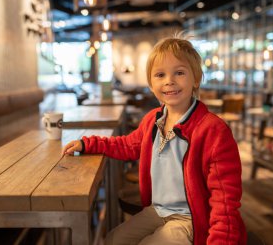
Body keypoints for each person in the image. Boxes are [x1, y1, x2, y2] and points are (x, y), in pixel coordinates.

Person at [62, 33, 247, 245]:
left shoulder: (214, 130)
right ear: (151, 84)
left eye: (179, 72)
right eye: (160, 75)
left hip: (191, 219)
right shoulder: (153, 119)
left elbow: (225, 201)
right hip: (158, 210)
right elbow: (128, 145)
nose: (169, 81)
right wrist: (89, 144)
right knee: (113, 239)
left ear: (196, 79)